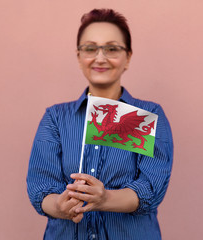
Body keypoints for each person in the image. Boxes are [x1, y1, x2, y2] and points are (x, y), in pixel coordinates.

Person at [27, 8, 173, 240]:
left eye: (112, 48)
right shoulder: (56, 117)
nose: (100, 57)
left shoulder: (146, 115)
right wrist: (59, 206)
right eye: (90, 48)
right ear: (78, 57)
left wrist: (104, 199)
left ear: (128, 57)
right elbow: (41, 186)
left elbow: (150, 189)